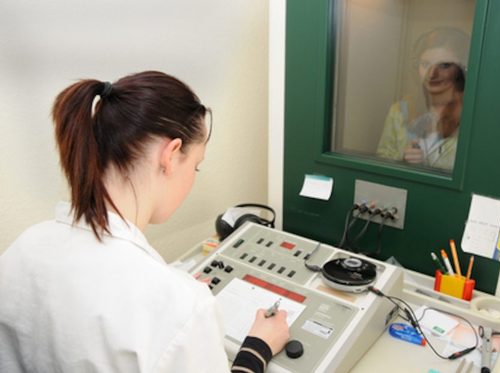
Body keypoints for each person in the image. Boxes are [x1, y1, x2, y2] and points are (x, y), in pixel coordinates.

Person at [0, 71, 290, 372]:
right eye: (196, 166)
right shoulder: (181, 308)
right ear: (171, 154)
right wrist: (257, 348)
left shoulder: (22, 249)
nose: (193, 179)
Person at [376, 27, 469, 171]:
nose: (432, 74)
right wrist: (402, 157)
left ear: (463, 69)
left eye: (444, 65)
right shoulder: (400, 111)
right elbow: (382, 158)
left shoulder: (474, 118)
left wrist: (429, 161)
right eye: (425, 64)